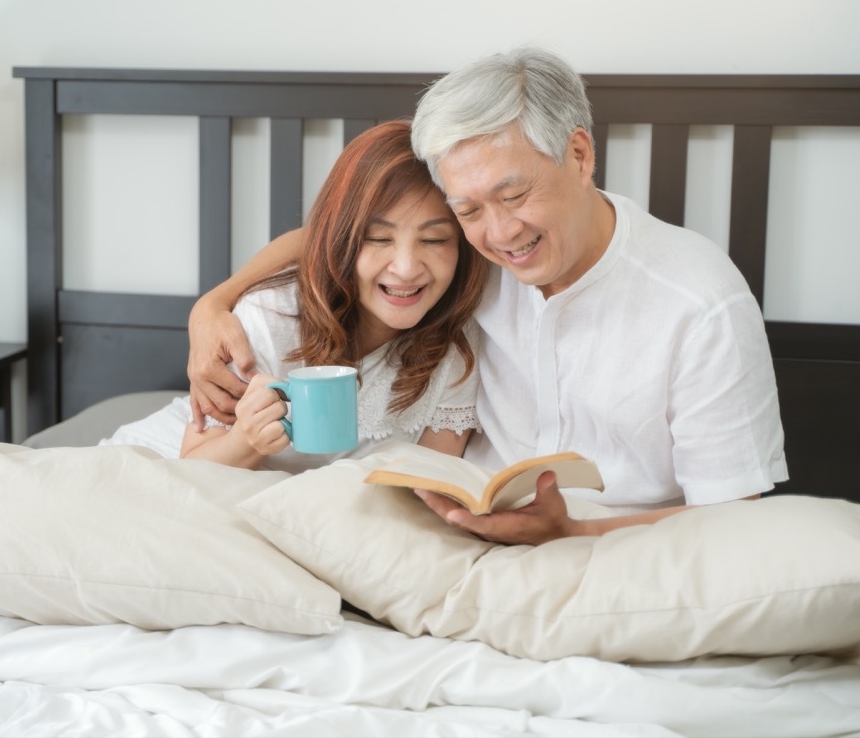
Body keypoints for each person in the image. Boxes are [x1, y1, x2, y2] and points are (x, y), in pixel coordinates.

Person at [185, 46, 788, 543]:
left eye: (516, 196)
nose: (499, 234)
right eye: (467, 209)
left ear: (579, 156)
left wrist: (572, 534)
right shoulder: (459, 256)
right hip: (457, 538)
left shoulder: (699, 303)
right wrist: (214, 303)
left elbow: (734, 520)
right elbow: (338, 240)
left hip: (629, 544)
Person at [102, 120, 487, 473]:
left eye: (435, 239)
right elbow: (194, 467)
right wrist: (247, 441)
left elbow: (435, 482)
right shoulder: (273, 317)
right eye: (378, 238)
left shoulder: (459, 346)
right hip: (163, 465)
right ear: (341, 241)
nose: (406, 267)